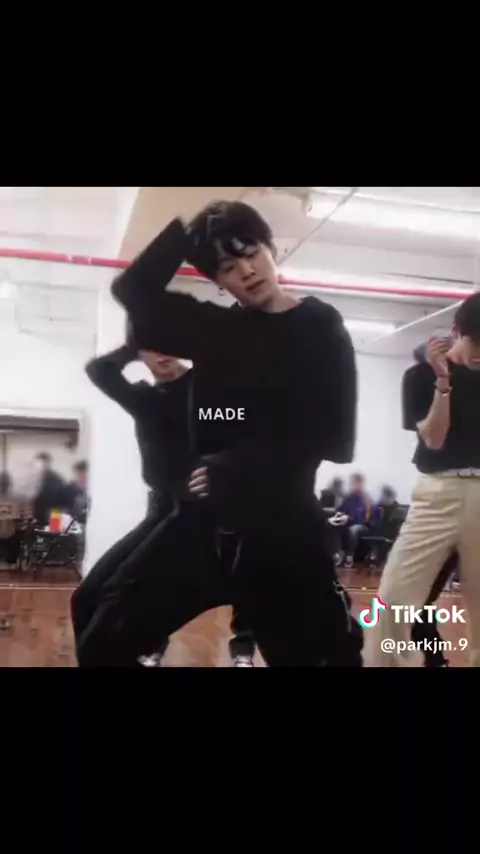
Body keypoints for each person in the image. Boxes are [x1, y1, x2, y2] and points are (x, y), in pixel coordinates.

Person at [76, 202, 362, 667]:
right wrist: (194, 228)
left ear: (272, 249)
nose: (246, 271)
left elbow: (333, 436)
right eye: (227, 267)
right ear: (218, 281)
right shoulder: (219, 330)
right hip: (204, 523)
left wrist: (238, 464)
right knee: (102, 636)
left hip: (280, 527)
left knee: (325, 660)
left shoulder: (318, 327)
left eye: (251, 253)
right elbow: (133, 290)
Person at [72, 343, 255, 666]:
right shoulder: (144, 399)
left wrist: (224, 467)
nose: (161, 352)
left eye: (167, 342)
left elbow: (246, 428)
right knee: (85, 600)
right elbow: (99, 370)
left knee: (118, 610)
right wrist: (136, 342)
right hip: (160, 512)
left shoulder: (206, 392)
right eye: (151, 346)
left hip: (198, 518)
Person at [364, 293, 480, 666]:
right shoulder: (420, 376)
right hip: (438, 494)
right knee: (393, 602)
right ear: (456, 331)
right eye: (476, 343)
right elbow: (433, 439)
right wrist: (444, 381)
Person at [334, 474, 379, 568]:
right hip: (348, 523)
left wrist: (349, 518)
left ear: (360, 484)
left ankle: (349, 556)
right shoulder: (347, 498)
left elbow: (364, 519)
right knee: (333, 524)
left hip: (364, 527)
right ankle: (337, 553)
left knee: (354, 529)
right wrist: (339, 515)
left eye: (355, 483)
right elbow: (341, 510)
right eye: (352, 483)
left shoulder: (366, 499)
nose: (352, 485)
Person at [32, 452, 68, 527]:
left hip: (52, 520)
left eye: (44, 464)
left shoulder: (58, 481)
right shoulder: (30, 480)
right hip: (33, 521)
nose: (42, 468)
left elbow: (62, 504)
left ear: (49, 464)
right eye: (39, 465)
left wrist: (55, 524)